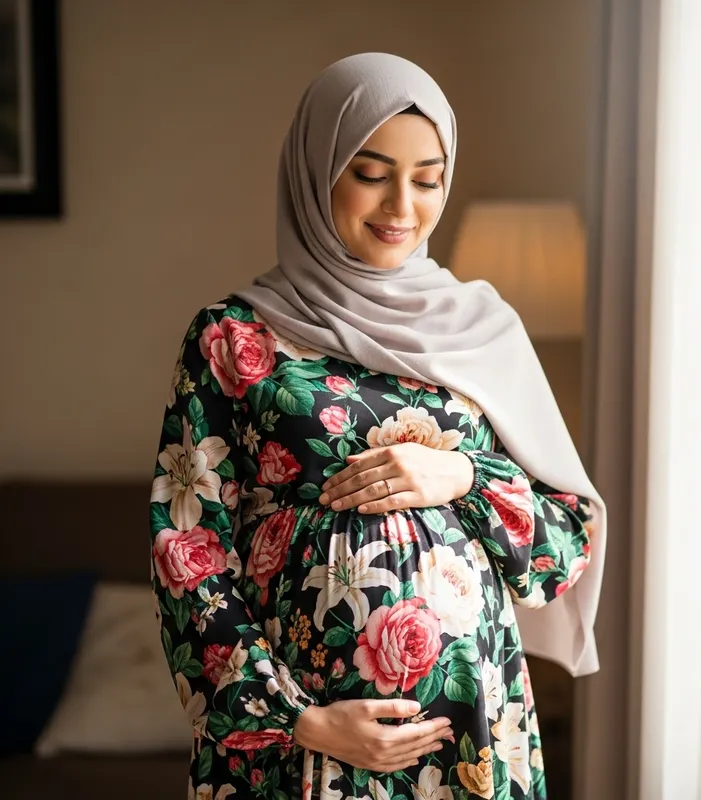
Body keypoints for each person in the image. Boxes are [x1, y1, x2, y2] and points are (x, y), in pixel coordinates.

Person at [149, 52, 605, 800]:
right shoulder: (231, 339)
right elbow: (187, 548)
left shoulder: (483, 330)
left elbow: (565, 539)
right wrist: (297, 719)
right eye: (370, 173)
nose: (402, 206)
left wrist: (466, 476)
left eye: (428, 179)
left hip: (469, 733)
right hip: (296, 742)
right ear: (317, 170)